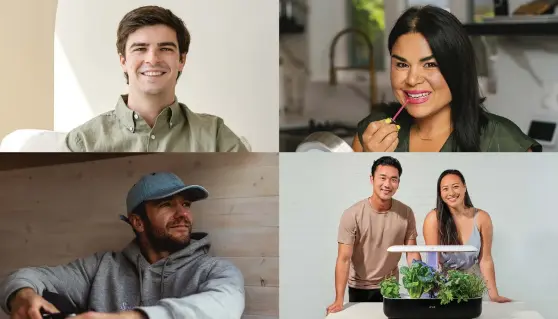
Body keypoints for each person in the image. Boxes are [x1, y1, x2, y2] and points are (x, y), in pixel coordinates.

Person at [0, 172, 245, 319]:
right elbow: (25, 276)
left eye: (186, 205)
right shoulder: (100, 267)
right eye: (167, 204)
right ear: (138, 222)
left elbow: (225, 307)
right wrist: (23, 295)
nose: (183, 214)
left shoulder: (216, 270)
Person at [352, 5, 541, 152]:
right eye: (402, 65)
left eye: (430, 64)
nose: (411, 79)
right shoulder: (371, 134)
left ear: (458, 68)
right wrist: (370, 164)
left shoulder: (504, 141)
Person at [61, 6, 248, 152]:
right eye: (140, 49)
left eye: (165, 48)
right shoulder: (82, 142)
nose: (152, 59)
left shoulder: (216, 136)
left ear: (182, 60)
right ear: (123, 61)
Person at [326, 156, 421, 314]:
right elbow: (344, 259)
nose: (387, 184)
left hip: (390, 287)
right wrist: (339, 299)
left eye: (393, 179)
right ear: (372, 179)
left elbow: (412, 252)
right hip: (359, 287)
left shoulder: (406, 213)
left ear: (398, 183)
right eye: (382, 178)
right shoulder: (352, 214)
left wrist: (420, 288)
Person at [422, 169, 511, 303]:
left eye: (456, 187)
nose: (451, 193)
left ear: (465, 187)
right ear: (440, 193)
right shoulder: (433, 219)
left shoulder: (482, 218)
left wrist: (494, 295)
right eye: (445, 189)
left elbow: (485, 259)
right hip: (443, 285)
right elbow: (432, 262)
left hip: (473, 283)